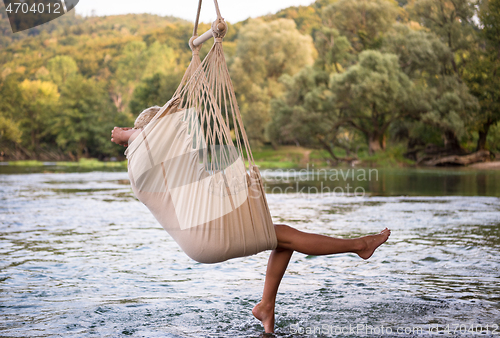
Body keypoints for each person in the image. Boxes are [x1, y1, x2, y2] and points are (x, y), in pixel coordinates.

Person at [111, 107, 391, 333]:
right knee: (284, 235)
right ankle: (359, 246)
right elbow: (152, 138)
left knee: (282, 238)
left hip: (203, 235)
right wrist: (128, 134)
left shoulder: (164, 167)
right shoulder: (143, 163)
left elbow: (175, 132)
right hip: (204, 237)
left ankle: (266, 307)